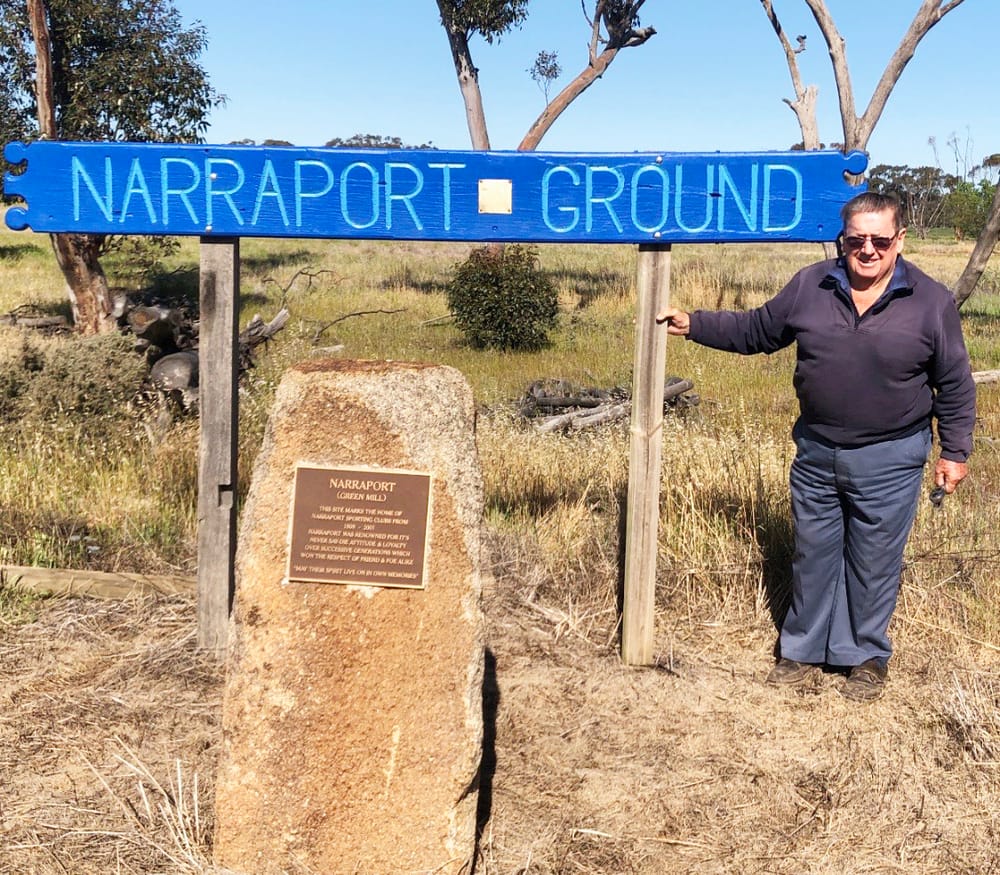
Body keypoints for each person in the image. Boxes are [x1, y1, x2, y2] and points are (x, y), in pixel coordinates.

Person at [656, 191, 976, 702]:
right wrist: (695, 324)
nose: (867, 250)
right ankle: (801, 651)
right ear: (841, 240)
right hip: (817, 451)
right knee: (814, 555)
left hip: (891, 455)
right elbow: (758, 330)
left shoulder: (930, 300)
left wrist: (955, 452)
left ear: (900, 241)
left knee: (873, 560)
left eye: (879, 240)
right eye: (856, 240)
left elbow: (955, 383)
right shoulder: (812, 284)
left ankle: (865, 656)